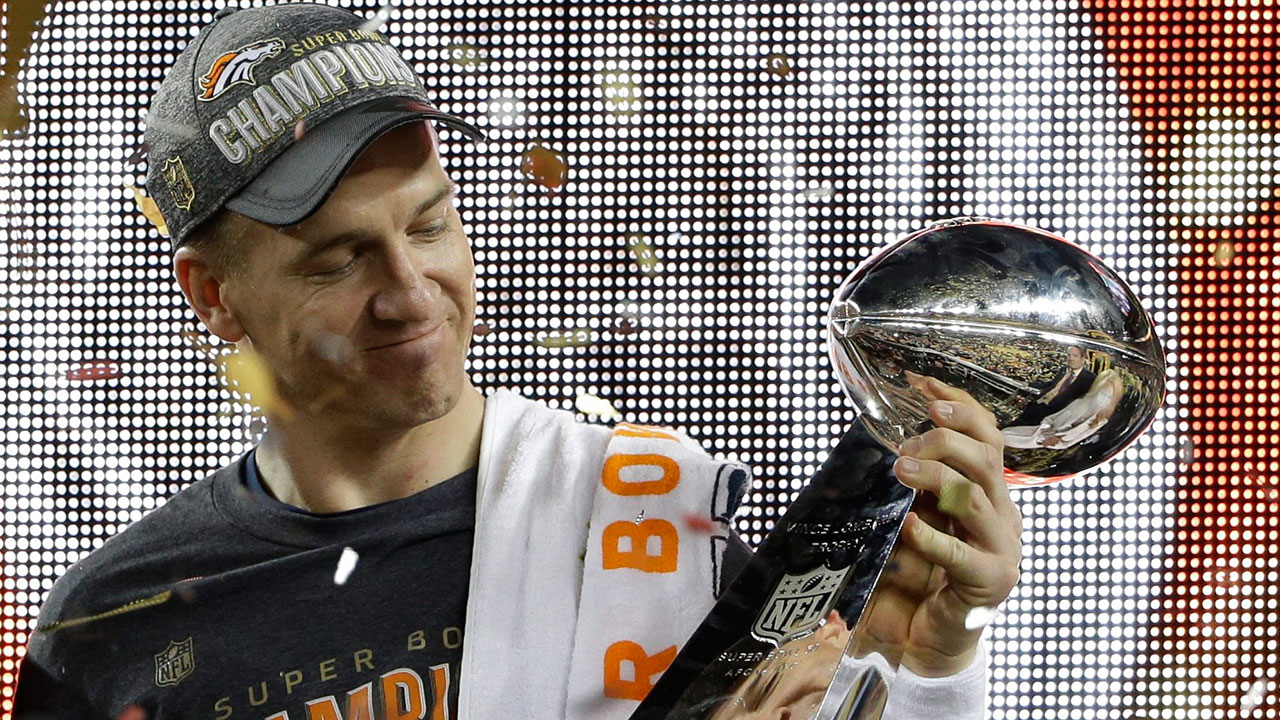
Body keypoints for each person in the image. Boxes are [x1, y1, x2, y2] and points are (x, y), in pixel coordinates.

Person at [12, 5, 1022, 719]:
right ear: (212, 296)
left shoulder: (670, 527)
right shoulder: (118, 629)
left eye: (430, 226)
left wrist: (929, 667)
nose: (412, 294)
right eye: (339, 258)